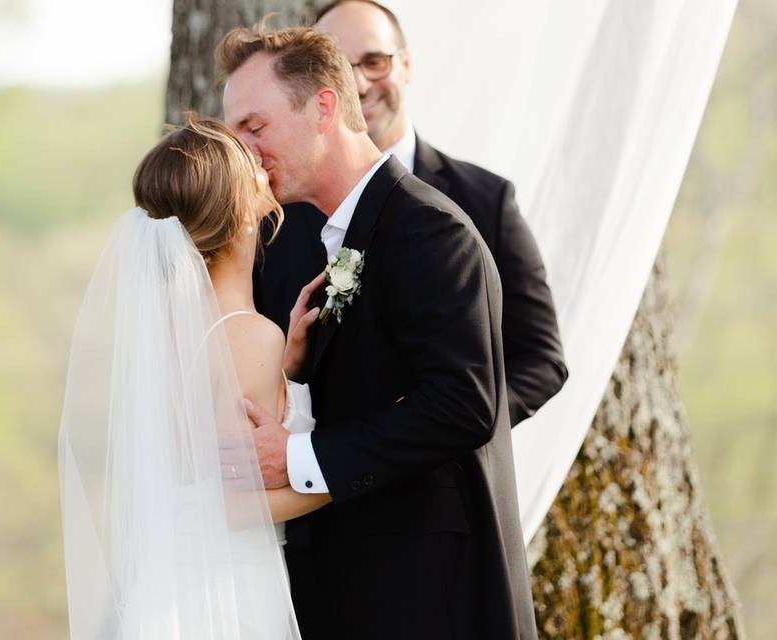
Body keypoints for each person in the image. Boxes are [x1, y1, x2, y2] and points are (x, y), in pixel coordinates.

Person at [219, 21, 538, 640]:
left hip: (432, 596)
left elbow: (463, 404)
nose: (243, 152)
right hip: (363, 587)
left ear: (323, 108)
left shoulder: (427, 229)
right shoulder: (335, 231)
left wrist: (298, 457)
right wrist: (296, 375)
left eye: (254, 128)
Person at [58, 115, 329, 639]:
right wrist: (350, 476)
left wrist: (287, 376)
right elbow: (234, 502)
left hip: (167, 589)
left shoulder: (160, 336)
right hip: (226, 595)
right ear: (246, 216)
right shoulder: (249, 336)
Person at [255, 0, 567, 426]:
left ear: (406, 64)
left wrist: (443, 432)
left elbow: (541, 357)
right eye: (341, 69)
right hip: (312, 478)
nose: (360, 83)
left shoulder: (484, 199)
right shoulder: (277, 216)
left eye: (375, 61)